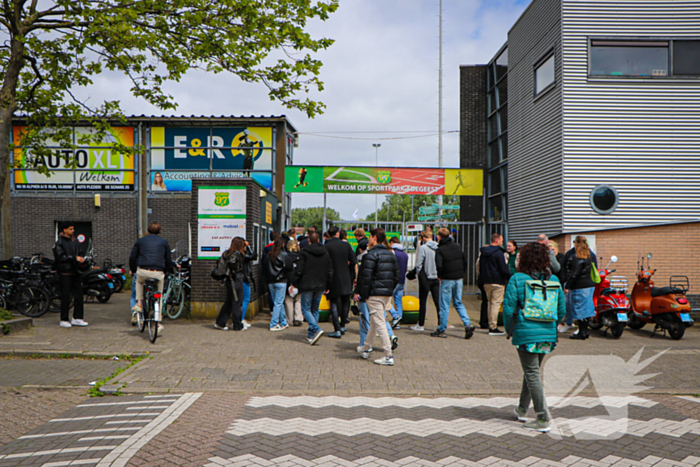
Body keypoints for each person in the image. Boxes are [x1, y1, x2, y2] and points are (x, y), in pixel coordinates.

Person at [503, 242, 565, 433]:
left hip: (525, 332)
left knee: (531, 373)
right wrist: (552, 326)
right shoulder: (553, 280)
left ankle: (543, 417)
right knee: (532, 371)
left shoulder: (517, 279)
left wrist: (510, 330)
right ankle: (522, 409)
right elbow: (561, 310)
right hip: (548, 334)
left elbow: (507, 308)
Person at [355, 228, 399, 366]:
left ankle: (388, 355)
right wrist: (389, 289)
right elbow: (397, 276)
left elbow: (365, 277)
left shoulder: (370, 255)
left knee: (379, 323)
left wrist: (365, 295)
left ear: (374, 238)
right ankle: (366, 348)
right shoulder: (391, 254)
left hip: (374, 294)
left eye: (369, 237)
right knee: (375, 322)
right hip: (386, 294)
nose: (368, 239)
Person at [129, 222, 172, 334]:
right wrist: (166, 271)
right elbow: (168, 259)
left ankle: (139, 304)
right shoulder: (164, 242)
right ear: (159, 231)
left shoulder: (141, 241)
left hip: (143, 271)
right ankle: (157, 323)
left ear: (148, 230)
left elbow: (133, 257)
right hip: (158, 272)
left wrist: (133, 270)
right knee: (159, 294)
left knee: (138, 281)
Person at [433, 228, 475, 339]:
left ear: (440, 237)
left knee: (444, 305)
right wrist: (461, 273)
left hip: (447, 279)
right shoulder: (457, 247)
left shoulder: (440, 249)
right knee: (458, 302)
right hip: (458, 278)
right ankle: (467, 324)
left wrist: (440, 275)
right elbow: (464, 261)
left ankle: (442, 329)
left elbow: (439, 265)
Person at [294, 231, 333, 345]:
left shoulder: (304, 253)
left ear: (309, 241)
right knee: (315, 310)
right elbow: (330, 270)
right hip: (321, 284)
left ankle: (315, 329)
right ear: (319, 240)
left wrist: (294, 282)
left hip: (307, 285)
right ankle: (311, 335)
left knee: (305, 309)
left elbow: (299, 270)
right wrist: (328, 285)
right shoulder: (325, 253)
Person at [559, 236, 598, 333]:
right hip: (589, 284)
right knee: (586, 308)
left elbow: (575, 273)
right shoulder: (589, 255)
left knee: (579, 309)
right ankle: (583, 331)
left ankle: (581, 331)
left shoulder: (577, 257)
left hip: (579, 285)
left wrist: (567, 285)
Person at [52, 222, 87, 328]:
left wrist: (81, 258)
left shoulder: (75, 241)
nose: (73, 231)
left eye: (73, 229)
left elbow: (79, 252)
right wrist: (73, 258)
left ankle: (77, 318)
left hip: (75, 271)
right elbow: (60, 257)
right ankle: (64, 319)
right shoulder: (60, 243)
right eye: (70, 229)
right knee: (65, 296)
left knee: (79, 296)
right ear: (64, 230)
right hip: (65, 272)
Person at [324, 226, 357, 338]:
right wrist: (351, 274)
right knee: (345, 302)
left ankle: (337, 329)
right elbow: (353, 261)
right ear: (338, 233)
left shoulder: (327, 246)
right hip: (346, 277)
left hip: (332, 278)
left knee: (333, 302)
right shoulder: (346, 245)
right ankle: (343, 325)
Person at [480, 232, 511, 336]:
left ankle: (490, 324)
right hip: (498, 281)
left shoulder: (483, 252)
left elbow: (480, 267)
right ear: (497, 240)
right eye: (502, 240)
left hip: (487, 281)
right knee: (495, 304)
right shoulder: (499, 253)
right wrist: (509, 276)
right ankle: (493, 327)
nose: (502, 242)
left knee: (489, 303)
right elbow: (503, 268)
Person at [214, 237, 246, 331]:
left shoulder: (226, 253)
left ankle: (220, 322)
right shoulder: (236, 253)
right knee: (237, 302)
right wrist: (236, 271)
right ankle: (237, 325)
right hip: (235, 279)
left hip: (229, 280)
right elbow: (232, 262)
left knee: (229, 302)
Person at [412, 231, 440, 332]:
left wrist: (420, 275)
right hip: (436, 278)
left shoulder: (423, 248)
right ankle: (440, 323)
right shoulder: (438, 247)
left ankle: (421, 324)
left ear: (424, 238)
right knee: (438, 302)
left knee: (423, 301)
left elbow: (419, 264)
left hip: (426, 278)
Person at [265, 237, 291, 331]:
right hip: (281, 281)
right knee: (279, 303)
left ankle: (283, 322)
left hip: (271, 282)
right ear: (283, 244)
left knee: (278, 303)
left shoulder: (269, 255)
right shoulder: (284, 255)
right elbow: (289, 267)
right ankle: (273, 324)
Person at [388, 237, 408, 329]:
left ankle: (395, 315)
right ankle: (398, 323)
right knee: (398, 301)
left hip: (393, 280)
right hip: (402, 280)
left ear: (392, 242)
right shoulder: (405, 254)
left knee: (386, 300)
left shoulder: (393, 253)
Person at [284, 240, 304, 326]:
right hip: (299, 281)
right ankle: (298, 318)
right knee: (298, 300)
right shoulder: (301, 257)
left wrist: (290, 283)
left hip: (288, 281)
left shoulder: (285, 257)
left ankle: (290, 319)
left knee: (288, 301)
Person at [240, 239, 256, 329]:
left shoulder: (236, 254)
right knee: (246, 299)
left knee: (241, 300)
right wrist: (249, 247)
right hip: (244, 278)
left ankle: (240, 318)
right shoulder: (243, 255)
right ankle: (241, 319)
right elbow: (254, 256)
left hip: (240, 279)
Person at [475, 244, 490, 330]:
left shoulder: (479, 258)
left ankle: (484, 321)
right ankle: (484, 321)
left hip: (481, 280)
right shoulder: (483, 259)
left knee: (485, 301)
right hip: (485, 280)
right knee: (487, 301)